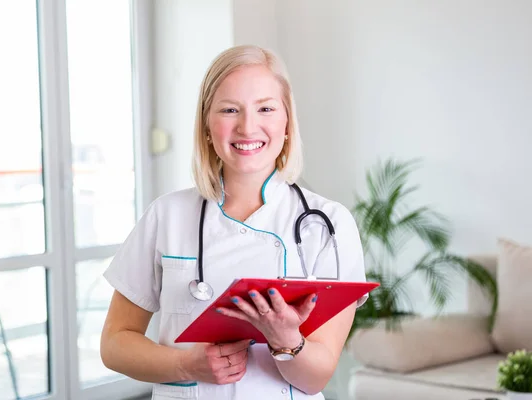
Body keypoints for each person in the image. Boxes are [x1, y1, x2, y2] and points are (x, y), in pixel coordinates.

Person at [100, 44, 368, 400]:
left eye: (266, 109)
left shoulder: (328, 226)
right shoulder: (167, 216)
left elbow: (316, 379)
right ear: (207, 126)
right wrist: (185, 366)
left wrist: (286, 340)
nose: (247, 127)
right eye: (229, 110)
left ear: (287, 122)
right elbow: (115, 344)